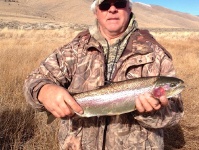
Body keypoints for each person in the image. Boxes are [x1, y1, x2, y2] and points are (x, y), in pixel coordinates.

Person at [24, 0, 184, 149]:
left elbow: (175, 113)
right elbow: (33, 81)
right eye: (105, 5)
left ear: (129, 7)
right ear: (96, 11)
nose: (112, 9)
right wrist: (44, 90)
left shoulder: (156, 53)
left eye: (119, 3)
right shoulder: (72, 50)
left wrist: (152, 113)